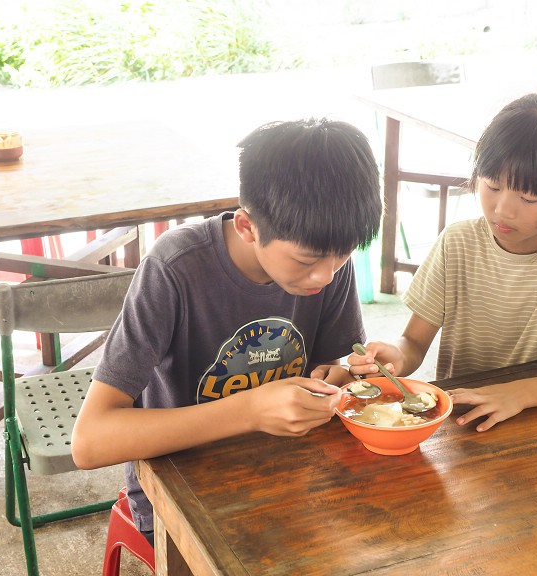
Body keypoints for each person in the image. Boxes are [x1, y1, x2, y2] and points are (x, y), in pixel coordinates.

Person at [72, 118, 383, 543]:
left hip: (294, 475)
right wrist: (251, 411)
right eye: (307, 261)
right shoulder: (176, 269)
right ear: (247, 226)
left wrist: (338, 375)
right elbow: (90, 441)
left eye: (342, 256)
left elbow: (331, 363)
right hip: (184, 490)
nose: (325, 277)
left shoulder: (325, 259)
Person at [348, 93, 537, 432]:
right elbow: (414, 343)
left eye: (529, 197)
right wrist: (398, 355)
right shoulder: (457, 242)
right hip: (467, 423)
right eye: (492, 186)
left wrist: (519, 394)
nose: (503, 209)